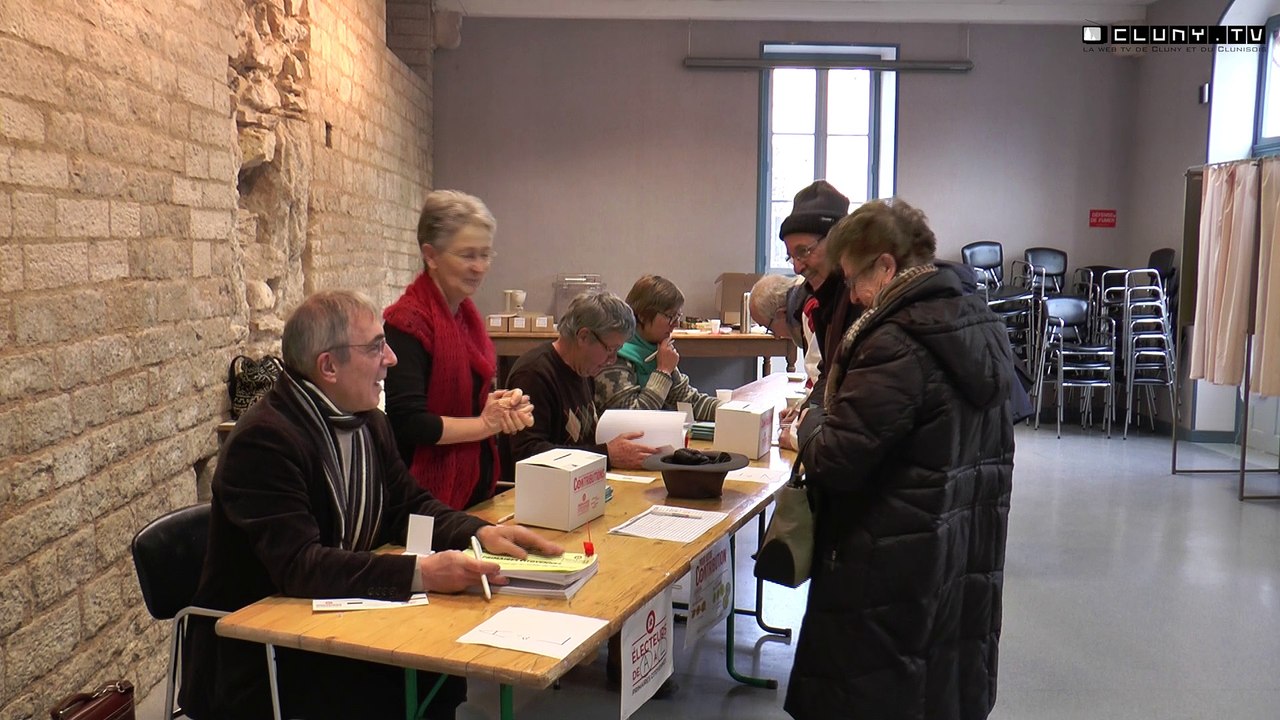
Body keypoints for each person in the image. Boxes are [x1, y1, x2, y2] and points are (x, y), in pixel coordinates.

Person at [182, 290, 563, 720]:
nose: (391, 359)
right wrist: (423, 573)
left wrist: (479, 531)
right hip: (259, 653)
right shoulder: (265, 441)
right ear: (328, 366)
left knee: (436, 671)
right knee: (415, 672)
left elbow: (407, 506)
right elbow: (301, 566)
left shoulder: (367, 421)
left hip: (322, 621)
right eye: (376, 347)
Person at [784, 199, 1015, 720]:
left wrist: (811, 422)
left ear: (886, 266)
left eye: (854, 280)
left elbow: (837, 458)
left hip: (888, 556)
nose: (853, 296)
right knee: (936, 685)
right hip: (957, 546)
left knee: (878, 689)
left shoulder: (895, 341)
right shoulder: (978, 324)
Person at [384, 190, 533, 510]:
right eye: (467, 255)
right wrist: (485, 424)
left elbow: (467, 404)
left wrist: (500, 406)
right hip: (425, 503)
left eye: (485, 255)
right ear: (431, 255)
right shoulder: (407, 322)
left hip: (474, 494)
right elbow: (409, 422)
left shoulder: (466, 318)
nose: (479, 267)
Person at [505, 289, 657, 471]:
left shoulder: (585, 369)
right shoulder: (533, 374)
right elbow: (528, 453)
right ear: (583, 337)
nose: (613, 359)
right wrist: (606, 455)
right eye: (610, 349)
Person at [595, 274, 721, 420]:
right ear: (642, 315)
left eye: (678, 316)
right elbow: (632, 419)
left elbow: (691, 401)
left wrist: (730, 409)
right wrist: (663, 371)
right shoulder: (614, 356)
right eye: (670, 316)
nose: (676, 324)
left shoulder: (656, 349)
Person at [749, 273, 819, 387]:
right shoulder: (805, 304)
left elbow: (818, 379)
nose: (777, 337)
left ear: (781, 313)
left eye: (770, 328)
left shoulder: (810, 313)